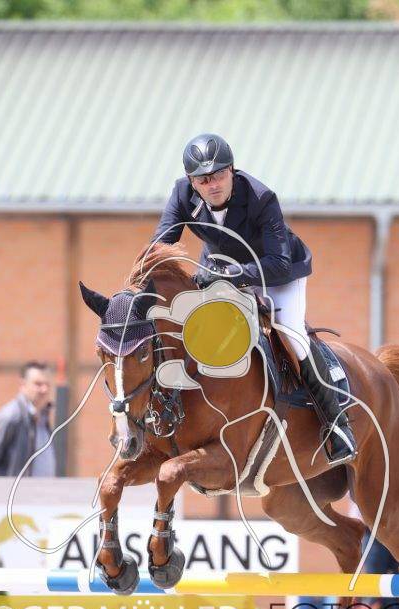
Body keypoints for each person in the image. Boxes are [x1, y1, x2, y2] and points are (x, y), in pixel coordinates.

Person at [152, 132, 356, 465]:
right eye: (203, 180)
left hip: (277, 273)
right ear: (192, 181)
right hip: (220, 269)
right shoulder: (181, 194)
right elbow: (161, 245)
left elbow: (278, 263)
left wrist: (229, 275)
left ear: (232, 170)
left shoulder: (261, 198)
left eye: (219, 174)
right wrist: (144, 282)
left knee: (291, 333)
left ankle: (337, 422)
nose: (213, 184)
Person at [0, 361, 57, 478]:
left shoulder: (44, 418)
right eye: (38, 384)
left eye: (47, 384)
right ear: (23, 385)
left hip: (44, 489)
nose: (44, 389)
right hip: (17, 489)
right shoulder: (10, 416)